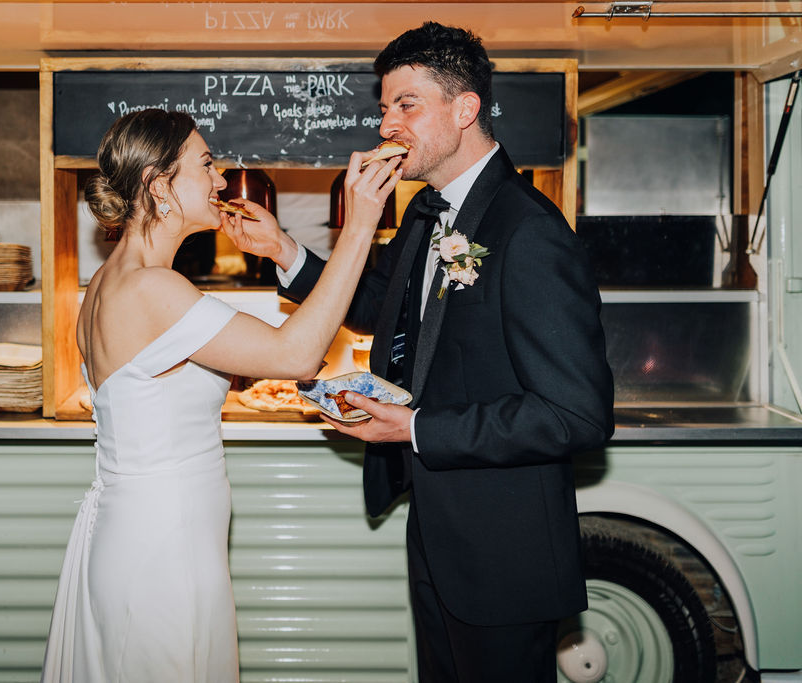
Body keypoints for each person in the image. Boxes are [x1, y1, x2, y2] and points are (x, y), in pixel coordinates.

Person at [245, 22, 615, 683]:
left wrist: (414, 426)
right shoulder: (426, 213)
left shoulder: (528, 230)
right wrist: (283, 250)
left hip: (506, 551)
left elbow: (578, 414)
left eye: (406, 104)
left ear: (465, 108)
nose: (387, 125)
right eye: (384, 108)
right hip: (440, 534)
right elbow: (373, 305)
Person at [39, 108, 400, 683]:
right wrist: (359, 228)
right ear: (160, 186)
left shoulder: (111, 279)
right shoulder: (154, 287)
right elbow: (296, 356)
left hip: (143, 532)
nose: (220, 179)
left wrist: (281, 248)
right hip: (163, 546)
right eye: (205, 164)